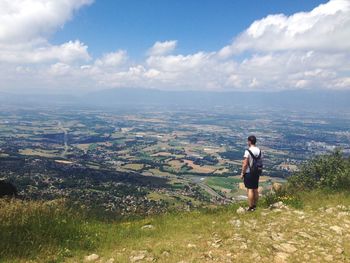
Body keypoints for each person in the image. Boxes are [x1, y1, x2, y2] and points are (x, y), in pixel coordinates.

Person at [240, 135, 262, 211]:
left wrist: (242, 173)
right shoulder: (259, 150)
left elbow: (245, 164)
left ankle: (250, 207)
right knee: (255, 189)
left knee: (250, 189)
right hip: (256, 172)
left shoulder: (248, 151)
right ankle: (255, 205)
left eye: (247, 141)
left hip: (249, 172)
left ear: (249, 141)